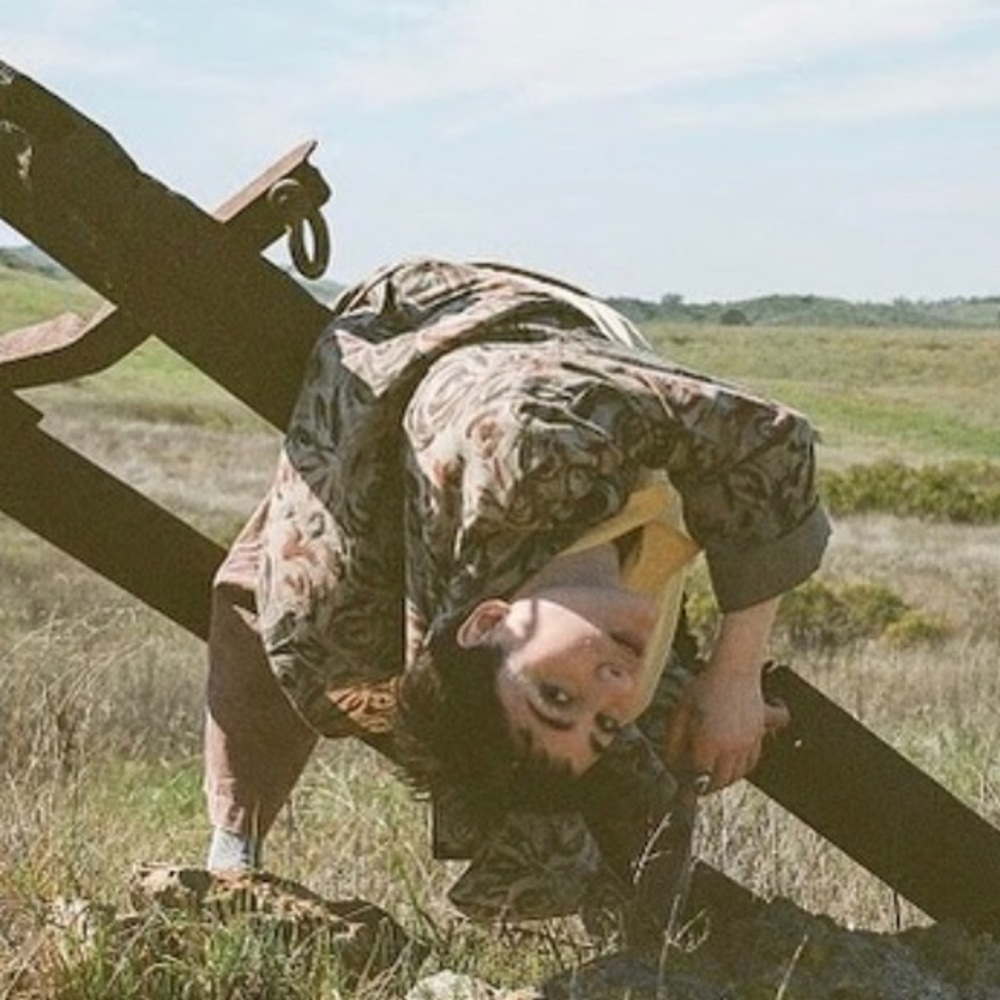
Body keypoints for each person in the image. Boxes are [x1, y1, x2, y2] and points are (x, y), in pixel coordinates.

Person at [203, 257, 829, 927]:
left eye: (560, 696)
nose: (613, 688)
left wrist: (735, 678)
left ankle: (228, 852)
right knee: (557, 782)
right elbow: (611, 738)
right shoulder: (611, 666)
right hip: (494, 496)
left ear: (490, 620)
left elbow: (770, 439)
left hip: (454, 314)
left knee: (297, 616)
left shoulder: (540, 440)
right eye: (600, 720)